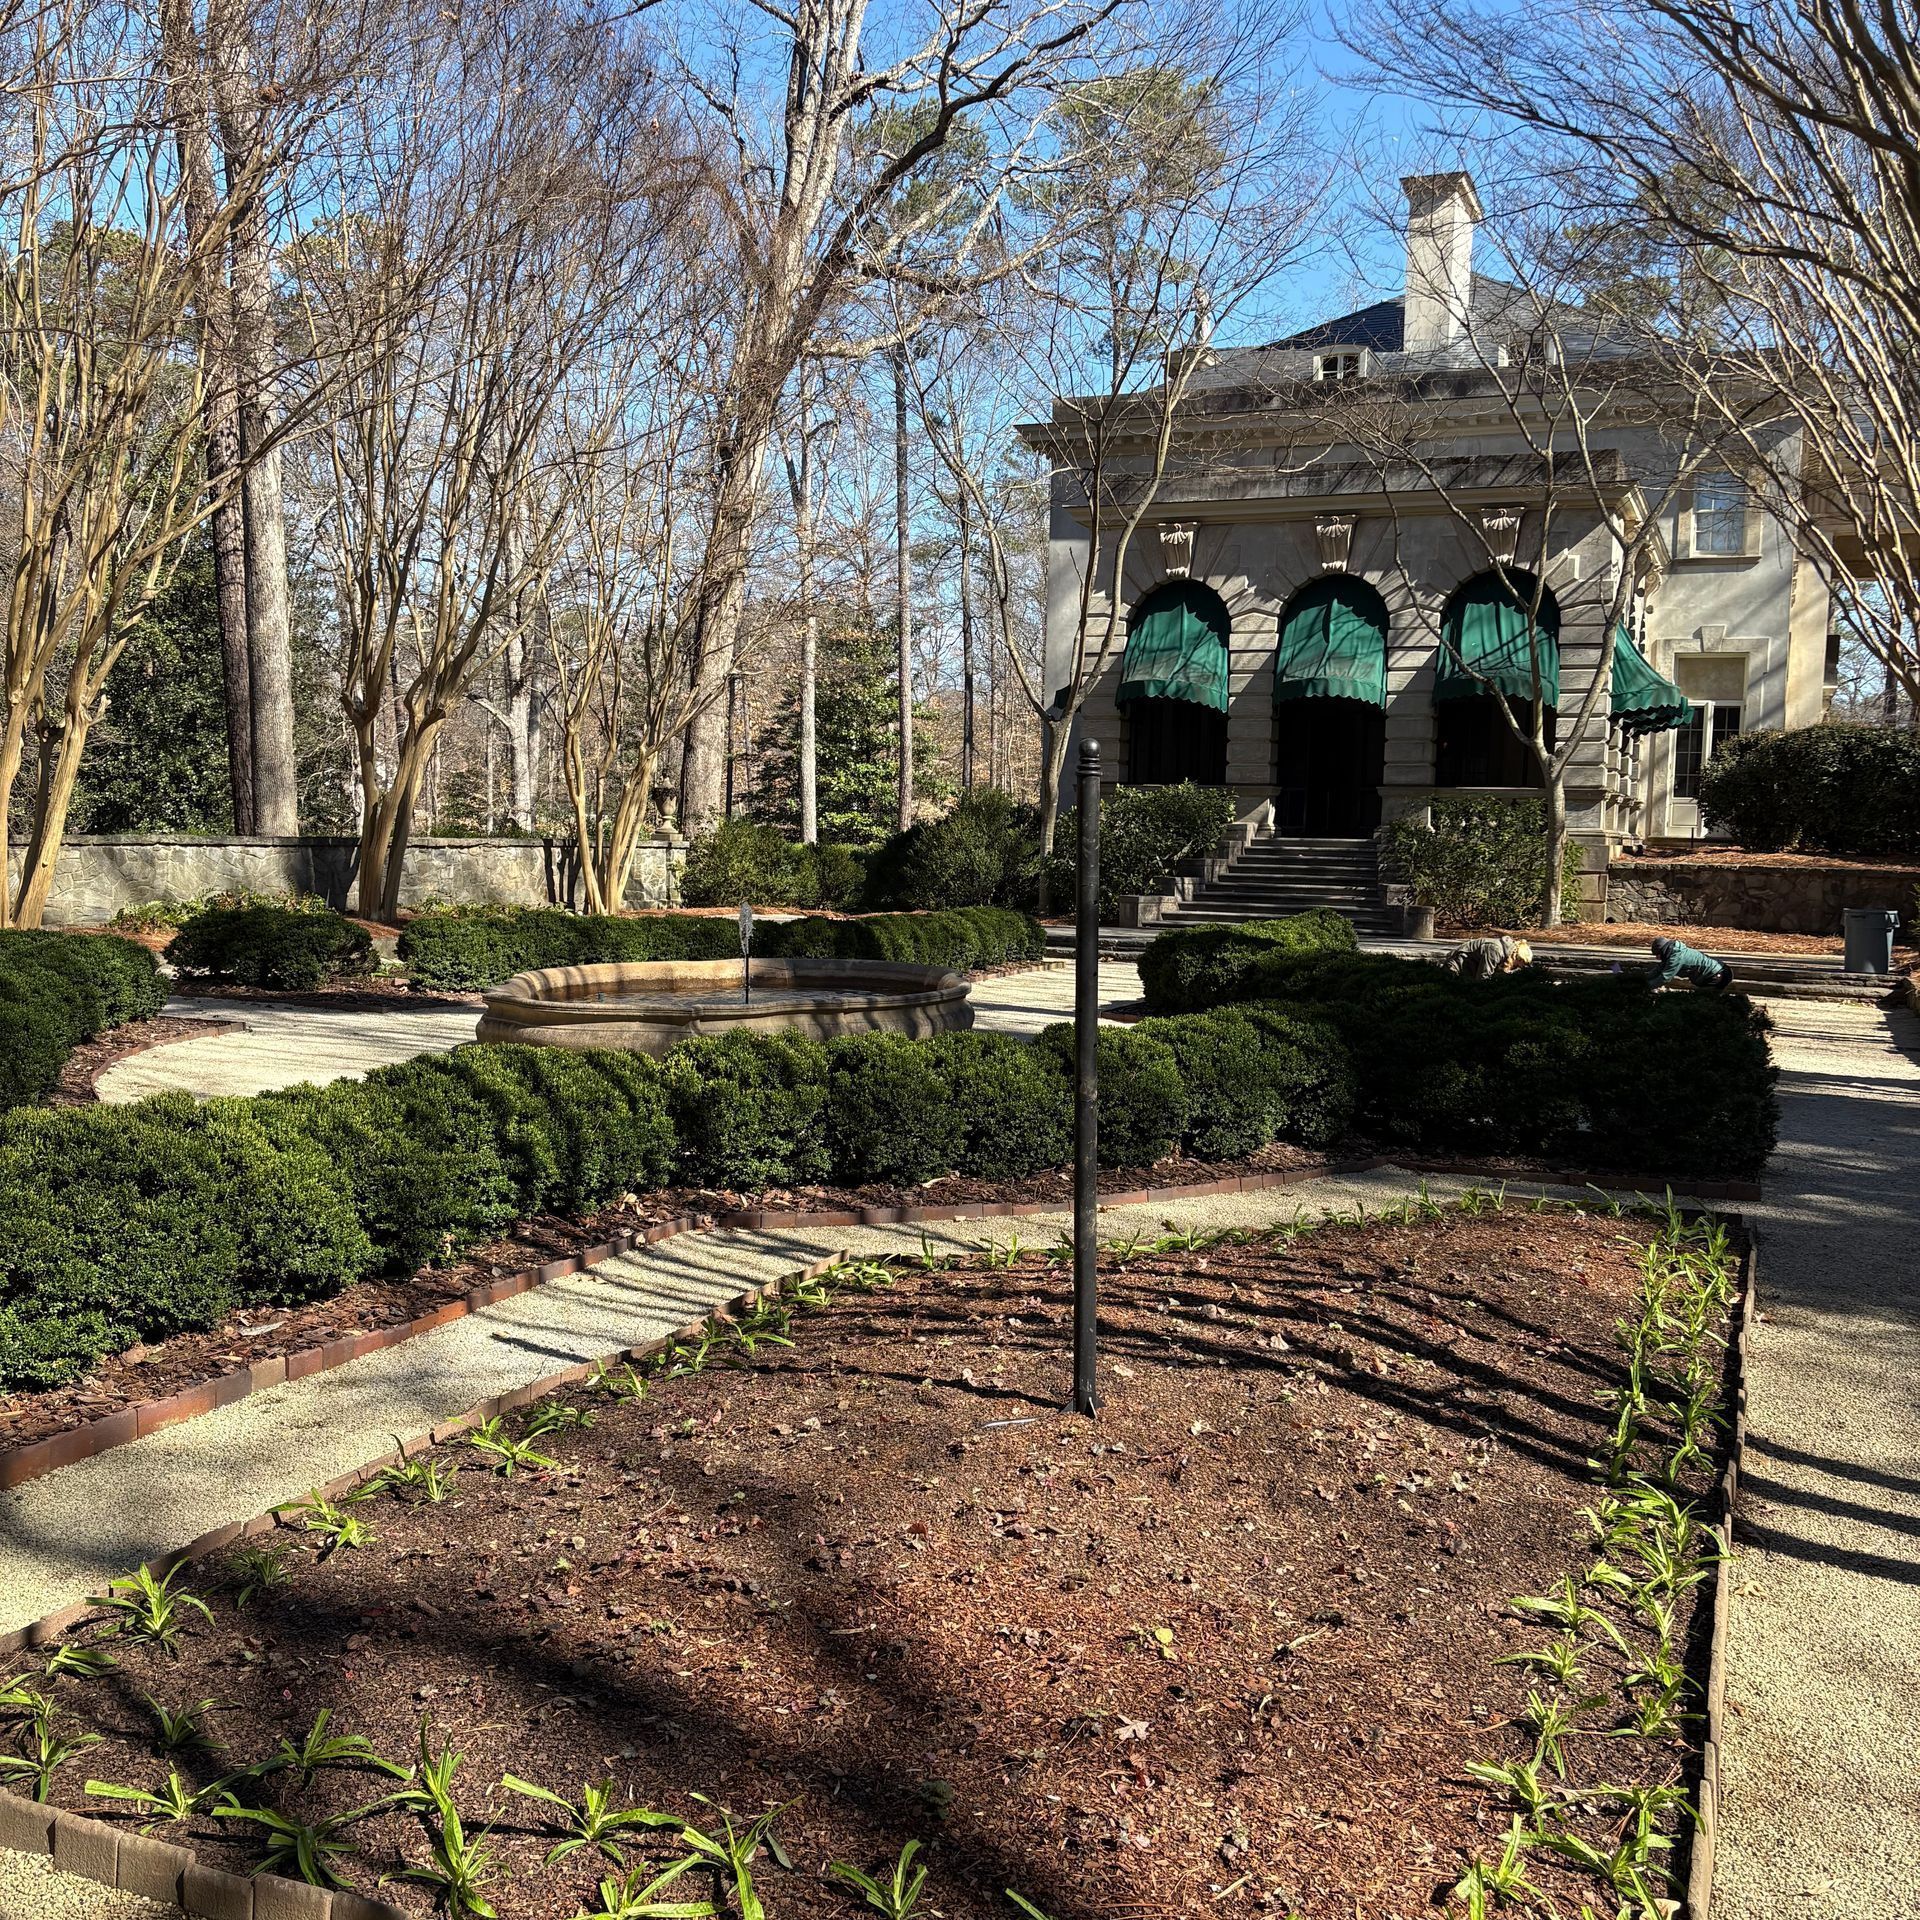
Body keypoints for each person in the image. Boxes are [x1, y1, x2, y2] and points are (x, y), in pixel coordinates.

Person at [1647, 935, 1732, 992]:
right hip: (1713, 973)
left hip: (1715, 976)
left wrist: (1644, 987)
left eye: (1657, 955)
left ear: (1663, 951)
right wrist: (1643, 977)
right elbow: (1659, 969)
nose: (1656, 958)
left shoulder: (1676, 957)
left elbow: (1665, 977)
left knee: (1705, 1003)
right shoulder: (1672, 953)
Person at [1442, 933, 1534, 980]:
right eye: (1518, 965)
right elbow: (1483, 977)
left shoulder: (1504, 952)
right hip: (1455, 968)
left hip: (1469, 968)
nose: (1517, 967)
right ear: (1517, 957)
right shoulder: (1495, 951)